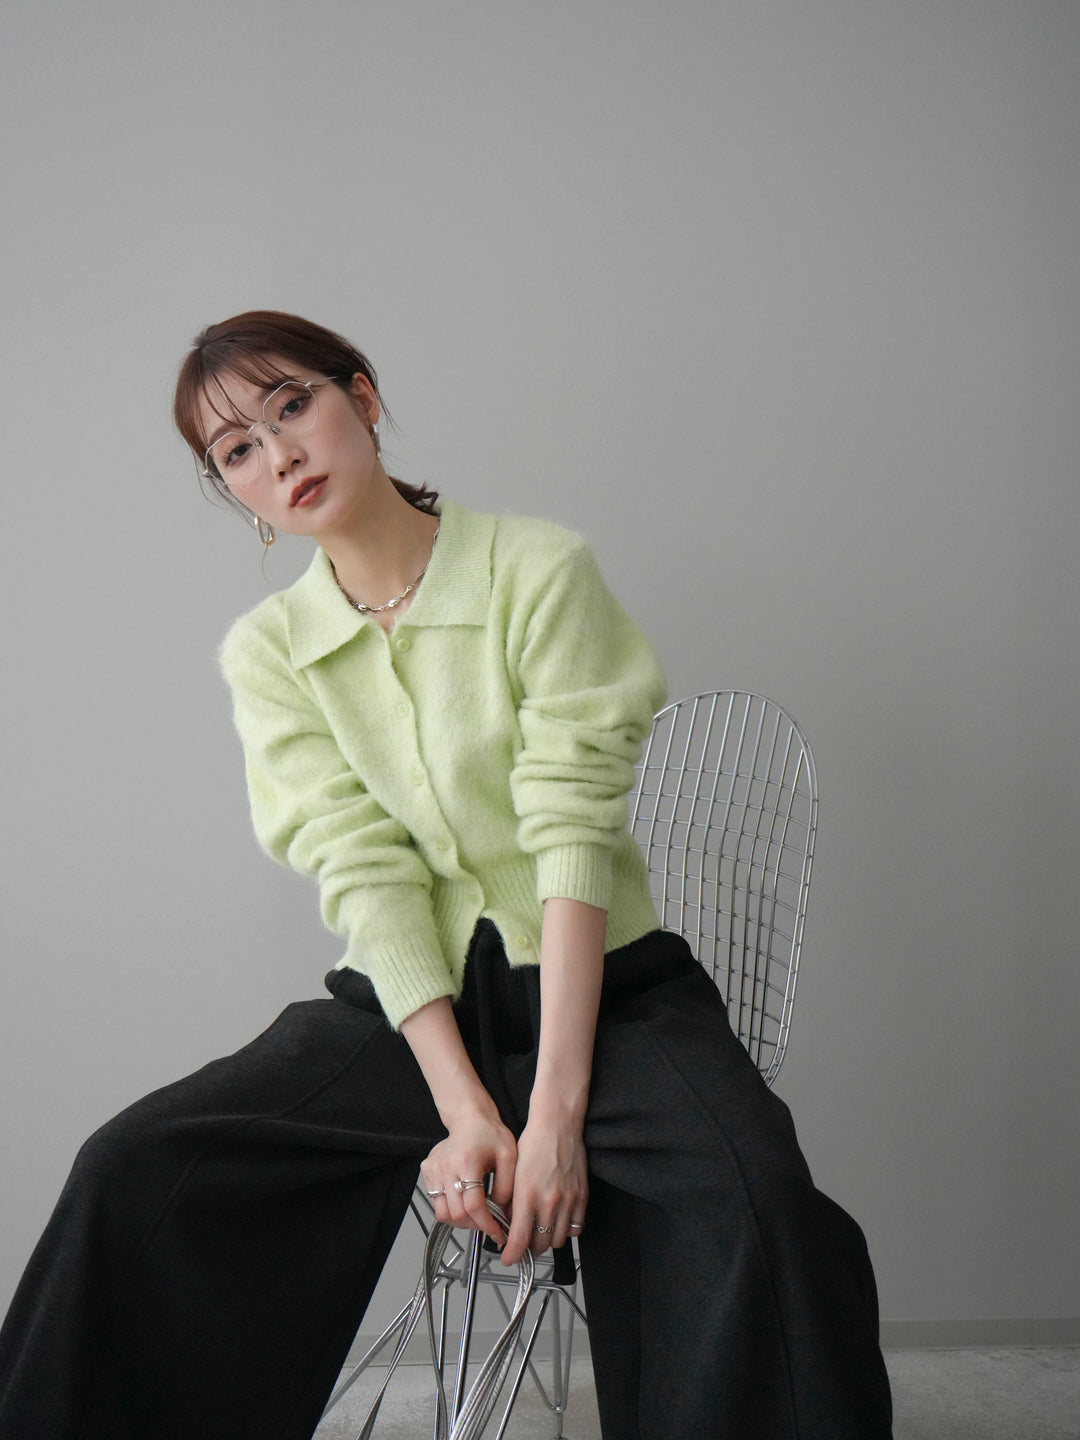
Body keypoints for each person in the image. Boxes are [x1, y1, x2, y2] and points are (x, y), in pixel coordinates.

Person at [0, 310, 893, 1439]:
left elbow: (572, 833)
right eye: (237, 451)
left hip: (607, 992)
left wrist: (555, 1114)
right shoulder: (271, 653)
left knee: (761, 1202)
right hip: (406, 1008)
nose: (278, 454)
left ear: (362, 398)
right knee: (137, 1167)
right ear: (235, 493)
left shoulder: (537, 570)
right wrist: (465, 1109)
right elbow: (362, 871)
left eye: (292, 406)